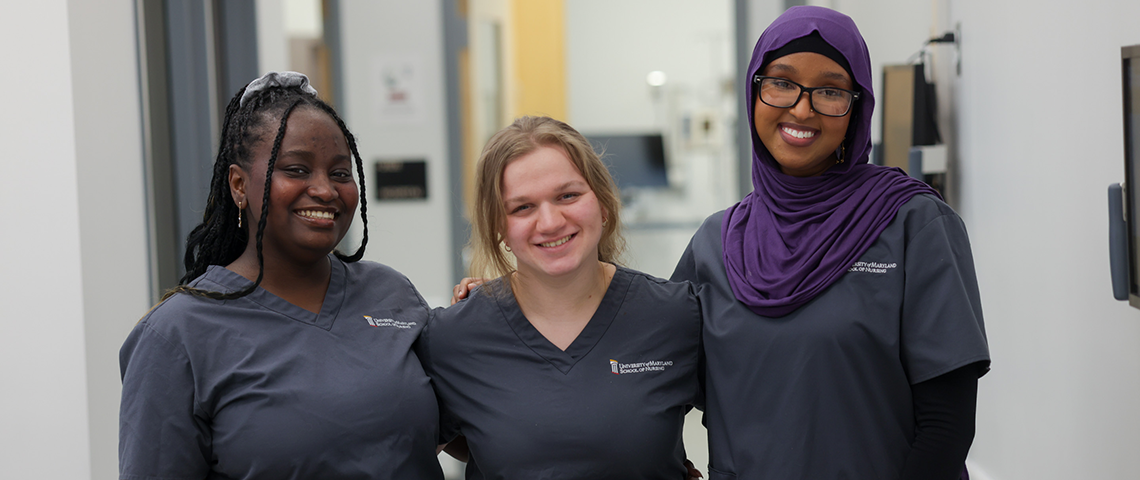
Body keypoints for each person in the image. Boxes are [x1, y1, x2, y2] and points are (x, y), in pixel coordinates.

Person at [669, 6, 990, 480]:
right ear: (754, 92)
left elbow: (947, 425)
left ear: (856, 106)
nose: (802, 109)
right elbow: (654, 380)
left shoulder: (913, 224)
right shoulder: (715, 244)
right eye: (781, 82)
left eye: (830, 91)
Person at [118, 72, 444, 479]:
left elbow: (471, 424)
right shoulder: (176, 336)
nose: (325, 190)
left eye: (341, 173)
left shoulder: (390, 293)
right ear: (239, 185)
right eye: (297, 170)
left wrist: (495, 307)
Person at [421, 116, 703, 479]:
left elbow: (755, 426)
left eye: (567, 195)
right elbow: (395, 450)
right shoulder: (452, 337)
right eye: (522, 207)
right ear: (499, 228)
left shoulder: (675, 315)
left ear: (602, 203)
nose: (551, 222)